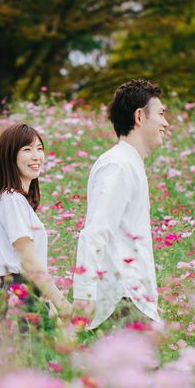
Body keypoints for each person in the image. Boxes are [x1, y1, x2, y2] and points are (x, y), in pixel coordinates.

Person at [72, 79, 169, 329]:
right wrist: (84, 293)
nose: (166, 123)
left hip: (132, 299)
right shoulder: (118, 165)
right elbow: (96, 231)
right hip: (123, 301)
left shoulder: (129, 163)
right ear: (140, 116)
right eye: (160, 114)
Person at [0, 124, 72, 330]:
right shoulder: (11, 199)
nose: (36, 156)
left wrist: (48, 304)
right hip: (19, 297)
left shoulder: (16, 201)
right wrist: (62, 305)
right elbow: (28, 260)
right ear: (10, 156)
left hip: (24, 295)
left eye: (39, 149)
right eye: (27, 149)